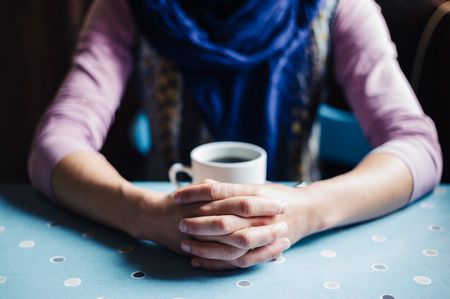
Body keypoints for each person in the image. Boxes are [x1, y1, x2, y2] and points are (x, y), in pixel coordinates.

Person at [28, 0, 442, 270]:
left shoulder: (338, 8)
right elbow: (56, 142)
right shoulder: (129, 9)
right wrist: (144, 213)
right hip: (165, 250)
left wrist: (306, 210)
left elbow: (417, 145)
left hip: (304, 250)